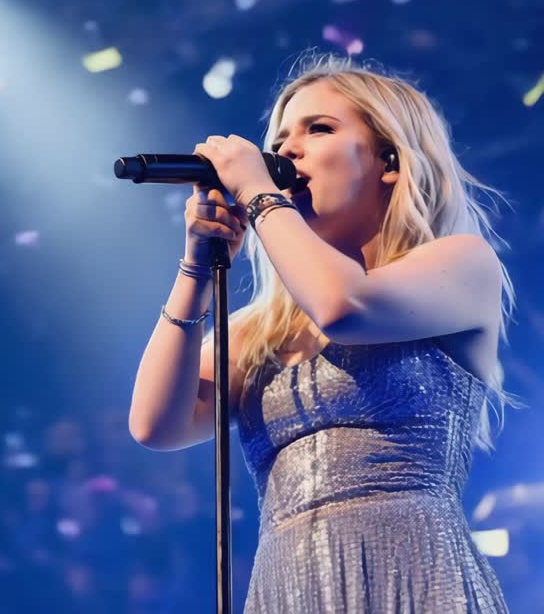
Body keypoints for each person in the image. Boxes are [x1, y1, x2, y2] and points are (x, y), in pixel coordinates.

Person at [128, 53, 515, 613]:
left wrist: (262, 197)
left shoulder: (461, 265)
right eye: (281, 139)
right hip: (290, 588)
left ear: (388, 161)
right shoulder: (262, 331)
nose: (286, 150)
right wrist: (195, 270)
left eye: (319, 129)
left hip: (415, 577)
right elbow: (155, 423)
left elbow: (342, 305)